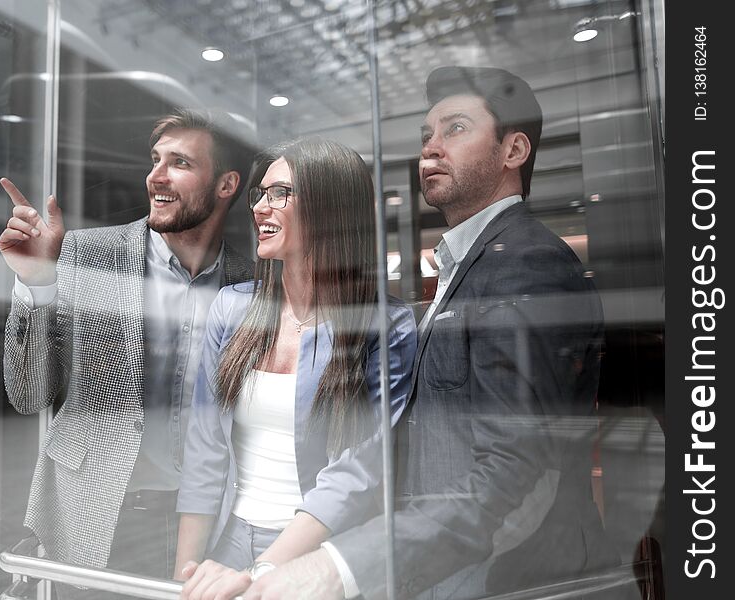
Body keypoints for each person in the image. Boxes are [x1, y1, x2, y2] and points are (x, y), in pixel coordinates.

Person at [243, 67, 620, 600]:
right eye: (427, 135)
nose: (431, 148)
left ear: (513, 150)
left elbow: (515, 474)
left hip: (513, 578)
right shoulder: (471, 264)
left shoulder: (525, 265)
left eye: (456, 129)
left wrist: (341, 566)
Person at [0, 108, 254, 596]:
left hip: (208, 522)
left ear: (225, 185)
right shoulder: (83, 254)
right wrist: (37, 287)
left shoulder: (252, 282)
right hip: (94, 513)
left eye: (179, 162)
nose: (155, 176)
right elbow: (29, 395)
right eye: (154, 160)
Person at [174, 138, 417, 600]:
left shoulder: (383, 324)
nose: (262, 207)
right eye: (261, 194)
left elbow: (358, 472)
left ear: (329, 208)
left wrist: (265, 569)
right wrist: (183, 573)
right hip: (227, 544)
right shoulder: (233, 308)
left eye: (281, 193)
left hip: (318, 557)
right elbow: (204, 452)